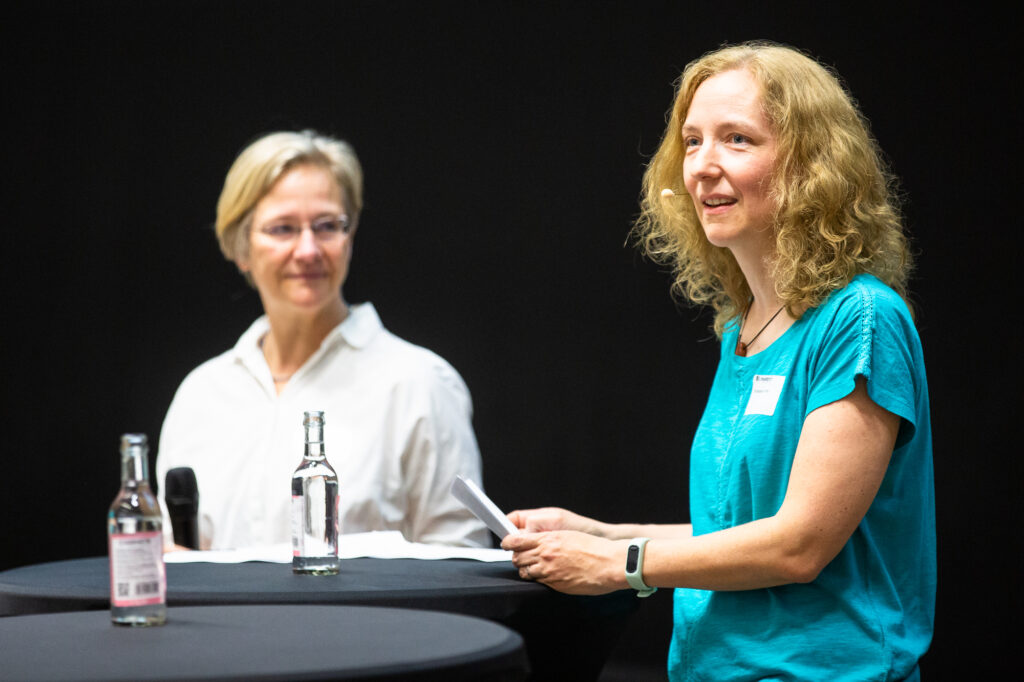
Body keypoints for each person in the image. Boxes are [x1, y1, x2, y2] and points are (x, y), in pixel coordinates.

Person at [502, 42, 935, 681]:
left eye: (736, 139)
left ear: (814, 165)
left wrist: (619, 562)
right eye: (693, 140)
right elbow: (734, 532)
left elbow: (797, 546)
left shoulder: (861, 318)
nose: (702, 165)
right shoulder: (745, 326)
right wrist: (595, 531)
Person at [157, 130, 489, 550]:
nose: (309, 249)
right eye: (282, 229)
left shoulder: (419, 383)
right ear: (240, 247)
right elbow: (173, 555)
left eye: (327, 226)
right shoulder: (201, 395)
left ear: (349, 238)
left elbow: (458, 561)